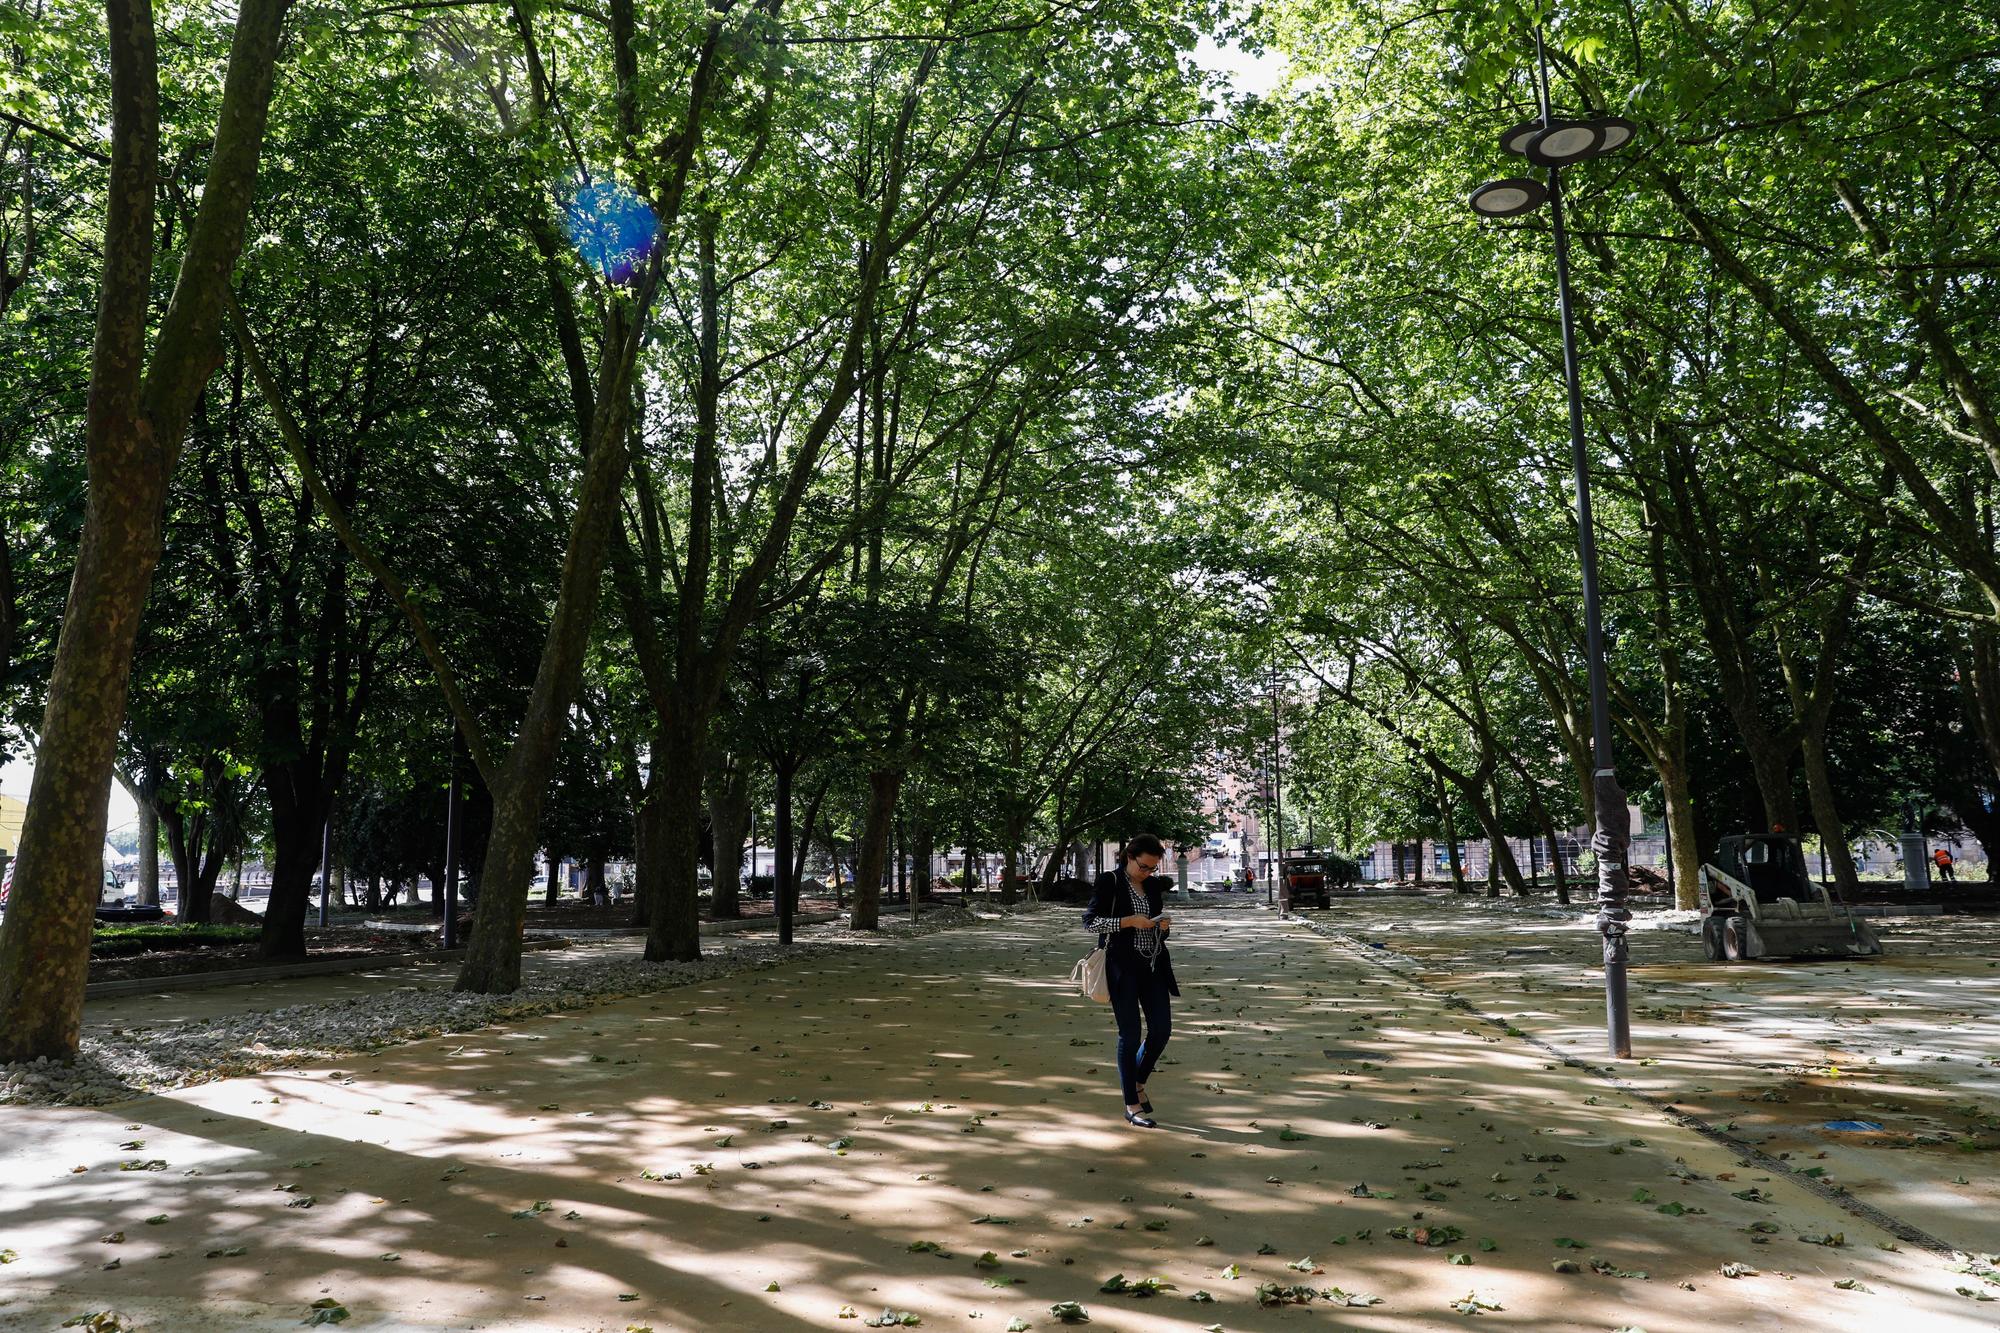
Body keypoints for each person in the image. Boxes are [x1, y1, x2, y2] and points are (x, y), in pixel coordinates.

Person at [1083, 834, 1178, 1128]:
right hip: (1121, 967)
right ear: (1129, 856)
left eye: (1153, 868)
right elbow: (1090, 922)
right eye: (1144, 866)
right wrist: (1127, 921)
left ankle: (1137, 1081)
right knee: (1130, 1033)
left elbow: (1157, 928)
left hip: (1153, 965)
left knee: (1161, 1030)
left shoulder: (1150, 886)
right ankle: (1131, 1104)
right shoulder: (1109, 881)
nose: (1148, 873)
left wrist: (1162, 926)